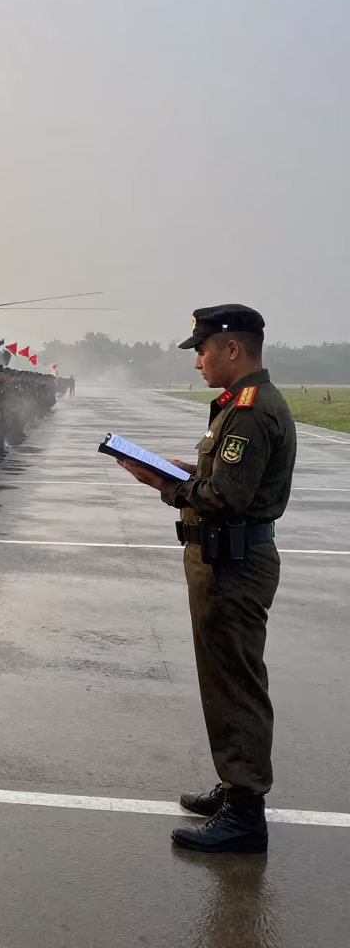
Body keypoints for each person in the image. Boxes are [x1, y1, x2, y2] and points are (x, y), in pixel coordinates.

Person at [119, 305, 296, 854]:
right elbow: (221, 479)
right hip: (225, 563)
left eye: (203, 349)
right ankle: (233, 785)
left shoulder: (248, 410)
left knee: (236, 682)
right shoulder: (238, 407)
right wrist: (185, 470)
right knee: (221, 679)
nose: (198, 360)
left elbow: (226, 498)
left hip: (233, 565)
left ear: (233, 349)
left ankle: (245, 812)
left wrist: (163, 484)